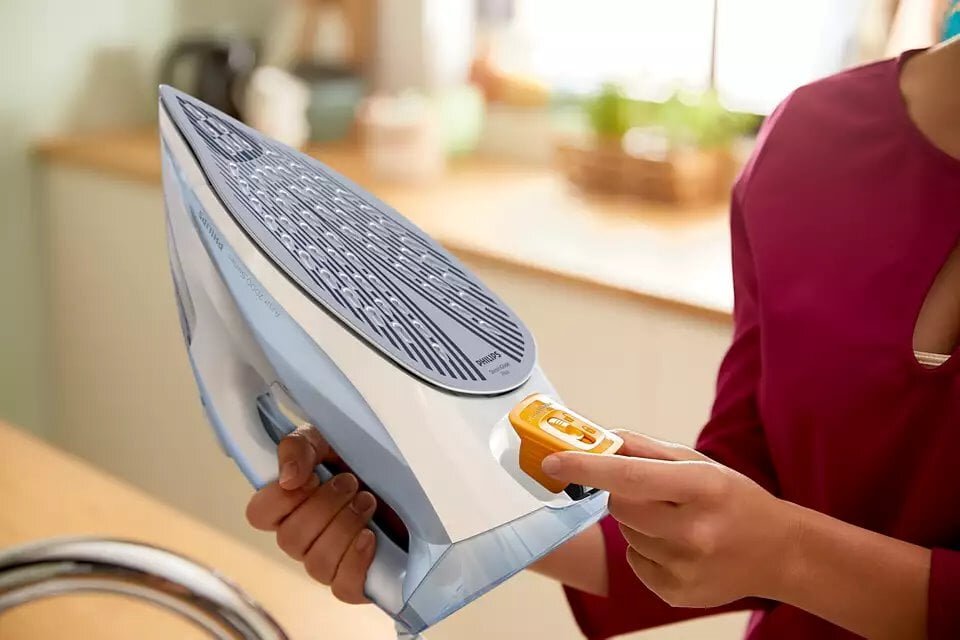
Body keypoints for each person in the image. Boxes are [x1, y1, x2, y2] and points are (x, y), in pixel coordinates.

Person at [244, 33, 960, 640]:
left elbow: (772, 538)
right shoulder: (812, 139)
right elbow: (738, 504)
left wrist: (789, 553)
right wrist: (431, 487)